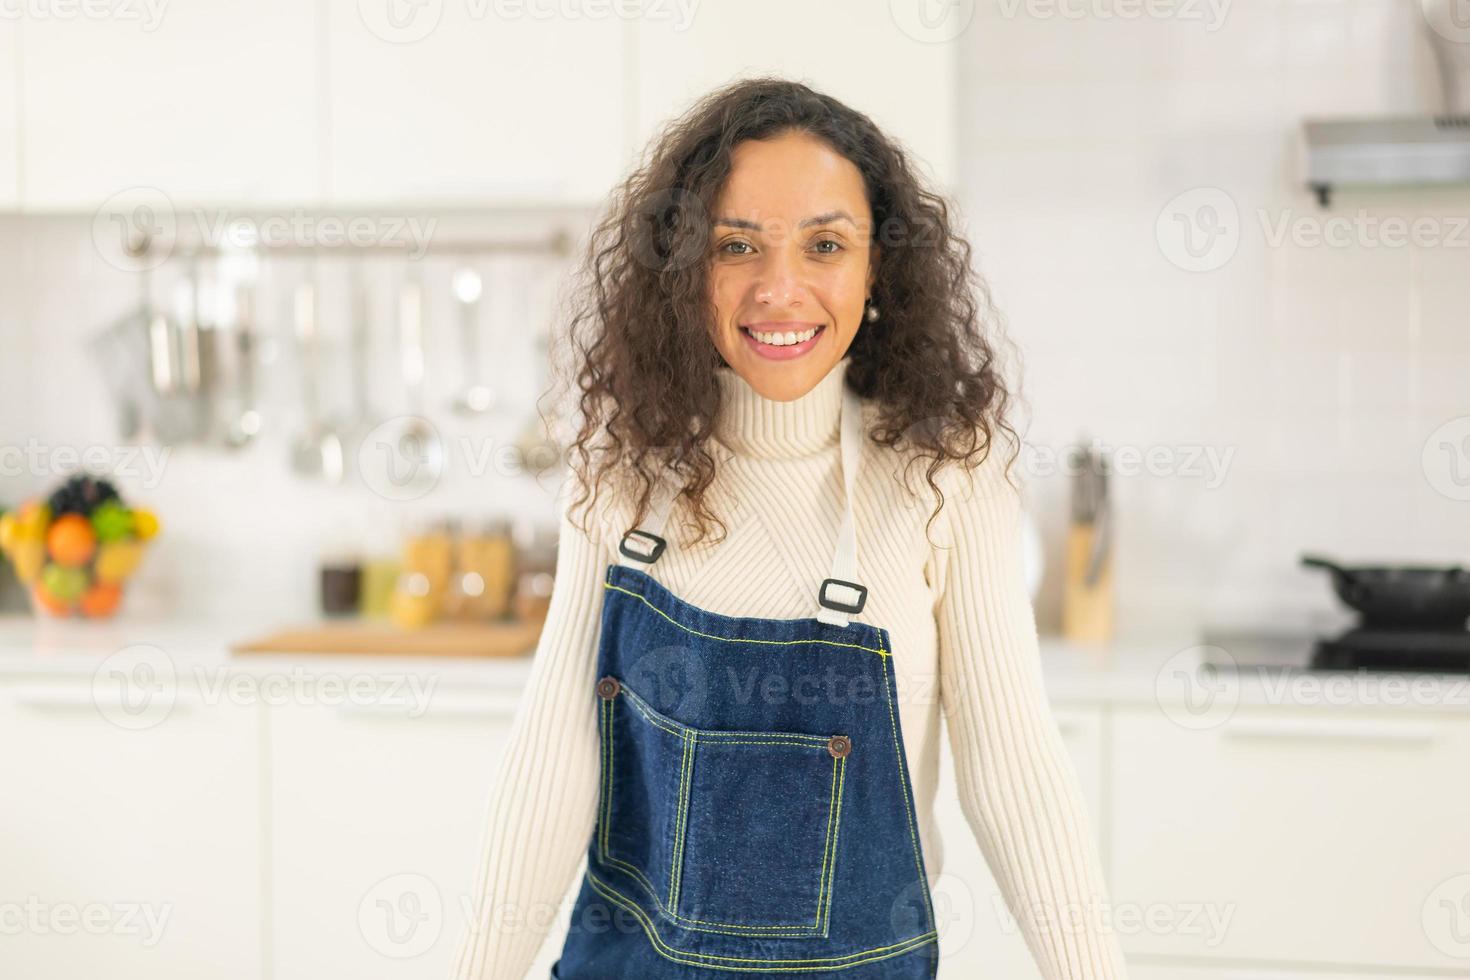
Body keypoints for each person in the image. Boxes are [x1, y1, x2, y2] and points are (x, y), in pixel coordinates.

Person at [451, 76, 1127, 979]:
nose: (781, 289)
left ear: (876, 267)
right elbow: (554, 755)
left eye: (825, 245)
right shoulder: (623, 468)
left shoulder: (946, 471)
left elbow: (1016, 773)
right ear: (685, 268)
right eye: (737, 245)